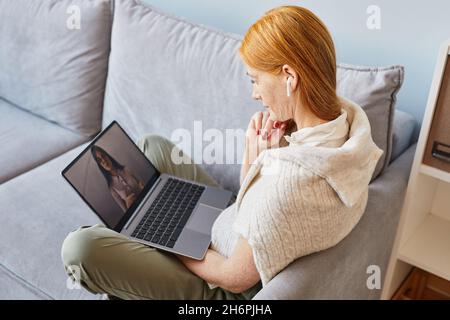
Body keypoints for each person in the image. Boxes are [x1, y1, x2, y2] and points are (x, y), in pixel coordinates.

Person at [61, 5, 383, 300]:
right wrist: (257, 159)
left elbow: (235, 278)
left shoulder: (292, 180)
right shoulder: (347, 124)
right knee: (152, 147)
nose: (255, 94)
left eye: (256, 80)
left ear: (290, 78)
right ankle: (146, 227)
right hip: (233, 224)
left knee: (80, 248)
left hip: (218, 287)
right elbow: (258, 208)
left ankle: (141, 240)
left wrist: (171, 238)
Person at [91, 145, 144, 212]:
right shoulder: (111, 187)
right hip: (137, 211)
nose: (104, 161)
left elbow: (141, 183)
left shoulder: (126, 169)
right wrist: (128, 205)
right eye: (99, 160)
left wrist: (143, 187)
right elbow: (126, 212)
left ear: (108, 156)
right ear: (100, 165)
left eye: (103, 156)